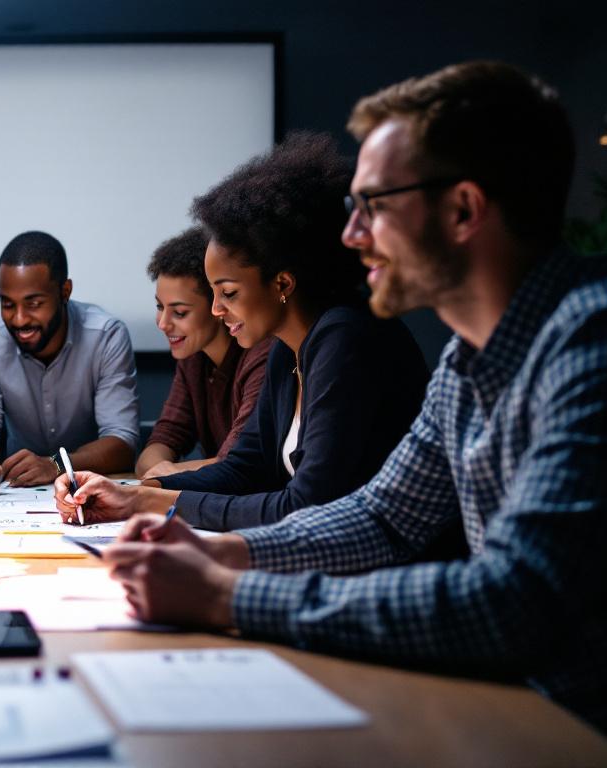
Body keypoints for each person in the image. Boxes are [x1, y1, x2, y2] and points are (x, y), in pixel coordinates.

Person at [67, 61, 607, 748]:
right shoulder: (468, 356)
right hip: (504, 703)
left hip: (583, 730)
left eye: (374, 205)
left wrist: (225, 593)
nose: (351, 235)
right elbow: (382, 517)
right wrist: (230, 553)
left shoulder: (600, 339)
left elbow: (512, 602)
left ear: (462, 210)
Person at [60, 134, 428, 531]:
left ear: (282, 284)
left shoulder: (345, 340)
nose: (217, 309)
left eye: (229, 293)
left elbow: (306, 508)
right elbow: (244, 469)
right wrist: (134, 493)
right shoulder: (287, 350)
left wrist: (149, 501)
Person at [0, 231, 139, 496]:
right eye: (7, 304)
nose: (19, 319)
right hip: (16, 492)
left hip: (89, 490)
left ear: (65, 292)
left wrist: (57, 465)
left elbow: (122, 443)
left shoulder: (105, 335)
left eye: (34, 304)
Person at [135, 227, 272, 479]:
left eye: (179, 313)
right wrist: (159, 470)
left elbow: (236, 462)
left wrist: (167, 474)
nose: (163, 324)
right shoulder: (194, 357)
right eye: (160, 307)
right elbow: (163, 439)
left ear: (218, 305)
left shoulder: (261, 355)